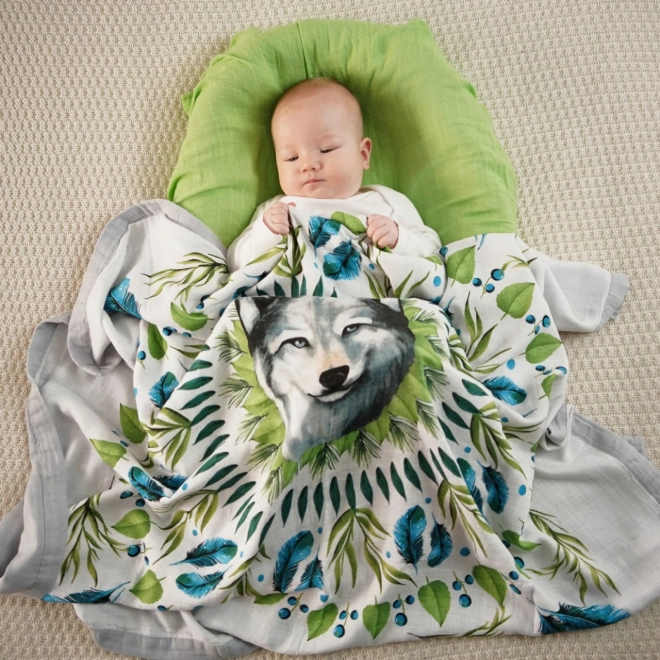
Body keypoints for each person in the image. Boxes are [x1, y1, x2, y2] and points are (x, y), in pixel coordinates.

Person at [226, 77, 442, 270]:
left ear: (363, 154)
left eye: (326, 149)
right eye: (292, 158)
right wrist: (266, 233)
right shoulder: (276, 211)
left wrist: (399, 239)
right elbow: (235, 264)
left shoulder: (387, 203)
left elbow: (434, 253)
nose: (308, 165)